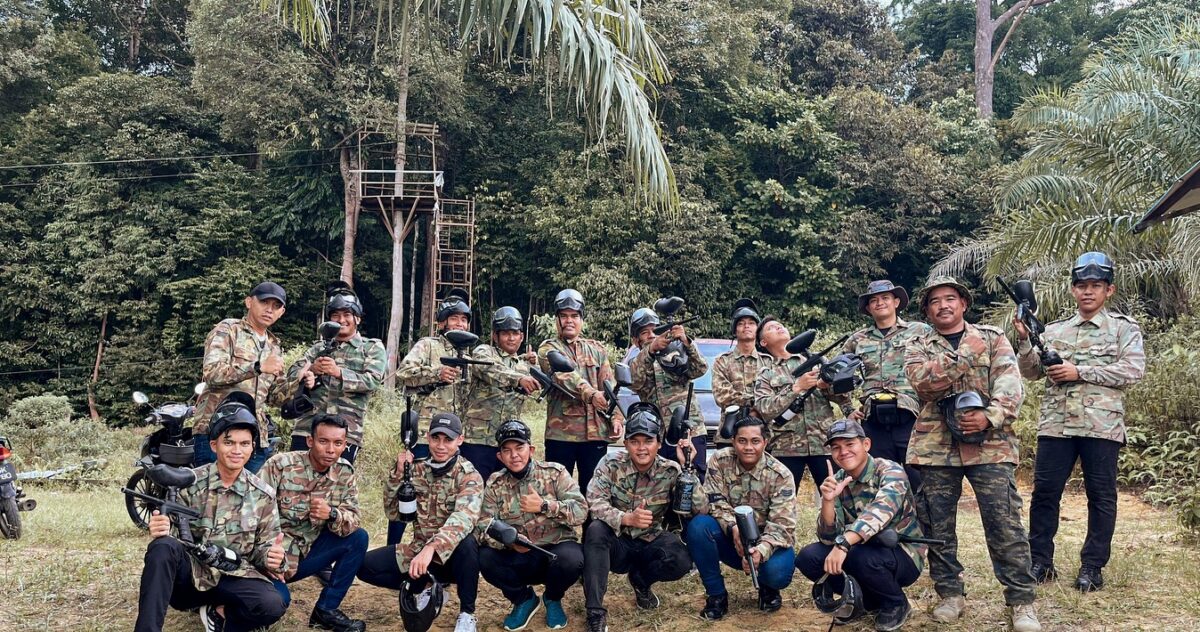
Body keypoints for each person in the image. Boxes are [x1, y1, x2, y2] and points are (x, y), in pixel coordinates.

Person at [905, 276, 1041, 632]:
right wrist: (966, 354)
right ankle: (950, 594)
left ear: (963, 303)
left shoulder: (992, 337)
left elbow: (1010, 383)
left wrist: (990, 415)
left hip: (991, 446)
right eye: (935, 301)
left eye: (950, 298)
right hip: (936, 448)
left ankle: (1021, 601)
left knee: (1004, 523)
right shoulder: (917, 344)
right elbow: (924, 384)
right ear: (927, 311)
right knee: (937, 525)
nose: (943, 305)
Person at [1017, 252, 1145, 592]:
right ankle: (1040, 561)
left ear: (1109, 290)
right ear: (1073, 290)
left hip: (1101, 426)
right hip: (1056, 425)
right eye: (1082, 286)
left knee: (1101, 496)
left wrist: (1080, 371)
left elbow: (1133, 371)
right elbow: (1030, 372)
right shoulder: (1054, 330)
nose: (1088, 291)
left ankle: (1092, 566)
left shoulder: (1123, 329)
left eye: (1095, 286)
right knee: (1045, 494)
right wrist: (1025, 340)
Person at [134, 393, 288, 632]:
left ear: (252, 447)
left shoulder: (263, 494)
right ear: (214, 445)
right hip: (190, 580)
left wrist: (272, 557)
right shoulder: (188, 482)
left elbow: (264, 547)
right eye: (229, 442)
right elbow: (172, 541)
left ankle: (219, 614)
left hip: (233, 576)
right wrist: (161, 528)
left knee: (272, 604)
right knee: (162, 547)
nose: (237, 450)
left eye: (244, 444)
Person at [356, 413, 483, 632]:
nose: (441, 446)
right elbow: (393, 513)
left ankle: (467, 613)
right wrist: (398, 474)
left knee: (468, 544)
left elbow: (464, 519)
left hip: (453, 557)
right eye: (436, 438)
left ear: (460, 440)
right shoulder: (416, 469)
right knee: (364, 566)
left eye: (448, 440)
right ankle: (430, 587)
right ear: (427, 437)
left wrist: (431, 548)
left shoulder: (469, 476)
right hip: (419, 551)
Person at [795, 419, 925, 631]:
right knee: (808, 557)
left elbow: (879, 512)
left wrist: (843, 544)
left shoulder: (890, 471)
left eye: (849, 444)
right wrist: (828, 501)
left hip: (902, 554)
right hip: (857, 550)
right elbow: (827, 538)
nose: (843, 452)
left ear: (866, 444)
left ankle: (896, 603)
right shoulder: (838, 479)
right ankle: (865, 600)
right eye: (836, 447)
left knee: (861, 556)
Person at [582, 404, 695, 632]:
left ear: (659, 444)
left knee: (682, 560)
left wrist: (688, 468)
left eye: (648, 441)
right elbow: (594, 501)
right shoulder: (610, 464)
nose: (641, 448)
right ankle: (595, 611)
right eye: (634, 441)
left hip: (650, 541)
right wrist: (626, 518)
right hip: (617, 542)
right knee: (595, 530)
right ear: (625, 444)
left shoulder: (671, 470)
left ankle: (641, 580)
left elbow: (699, 508)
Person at [260, 414, 369, 632]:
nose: (331, 450)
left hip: (308, 552)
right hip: (272, 556)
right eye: (323, 441)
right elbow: (254, 515)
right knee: (275, 602)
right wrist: (266, 557)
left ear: (345, 445)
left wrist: (333, 514)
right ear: (310, 441)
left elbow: (354, 518)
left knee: (358, 538)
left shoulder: (344, 472)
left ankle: (326, 610)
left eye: (338, 443)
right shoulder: (280, 466)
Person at [477, 420, 587, 631]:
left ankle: (553, 598)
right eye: (507, 450)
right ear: (499, 456)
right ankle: (524, 599)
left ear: (531, 449)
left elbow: (581, 511)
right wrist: (509, 542)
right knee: (484, 557)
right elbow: (483, 524)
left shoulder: (555, 473)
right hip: (517, 555)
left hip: (554, 552)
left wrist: (545, 506)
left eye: (520, 447)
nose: (514, 455)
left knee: (572, 559)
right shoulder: (495, 483)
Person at [688, 416, 796, 620]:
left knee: (777, 574)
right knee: (699, 526)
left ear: (765, 442)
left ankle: (768, 588)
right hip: (732, 539)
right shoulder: (720, 461)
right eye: (742, 441)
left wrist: (760, 551)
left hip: (767, 543)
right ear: (733, 441)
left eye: (755, 441)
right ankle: (716, 595)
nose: (748, 447)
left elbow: (783, 526)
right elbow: (713, 502)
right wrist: (733, 528)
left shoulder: (781, 475)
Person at [391, 289, 473, 544]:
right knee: (409, 486)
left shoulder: (467, 355)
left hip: (453, 438)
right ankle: (393, 547)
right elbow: (403, 373)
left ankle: (439, 545)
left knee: (446, 493)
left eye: (464, 319)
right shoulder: (428, 345)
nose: (460, 324)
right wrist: (437, 373)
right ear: (442, 322)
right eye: (454, 318)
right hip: (426, 432)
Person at [841, 280, 931, 492]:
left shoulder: (920, 331)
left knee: (921, 480)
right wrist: (847, 408)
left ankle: (924, 516)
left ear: (896, 302)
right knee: (877, 479)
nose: (880, 303)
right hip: (873, 419)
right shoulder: (857, 339)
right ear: (868, 308)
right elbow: (835, 376)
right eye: (874, 300)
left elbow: (939, 365)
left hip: (911, 416)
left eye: (885, 298)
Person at [193, 281, 291, 473]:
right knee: (213, 491)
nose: (269, 310)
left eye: (276, 306)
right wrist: (257, 367)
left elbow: (274, 398)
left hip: (254, 437)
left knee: (251, 492)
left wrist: (302, 382)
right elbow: (212, 373)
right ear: (249, 302)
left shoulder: (274, 346)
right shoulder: (229, 330)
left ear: (282, 312)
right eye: (264, 302)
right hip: (217, 431)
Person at [286, 285, 386, 464]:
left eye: (347, 314)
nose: (341, 320)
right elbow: (292, 373)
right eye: (336, 315)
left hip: (346, 431)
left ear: (357, 318)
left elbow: (372, 381)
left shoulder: (371, 347)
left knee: (338, 479)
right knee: (295, 476)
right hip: (308, 428)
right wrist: (311, 371)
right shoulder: (318, 348)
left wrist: (338, 372)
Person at [538, 289, 624, 493]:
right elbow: (565, 377)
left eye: (574, 316)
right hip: (562, 435)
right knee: (557, 491)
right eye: (564, 316)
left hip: (595, 435)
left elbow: (609, 386)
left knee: (594, 492)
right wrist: (591, 394)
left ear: (581, 320)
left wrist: (616, 418)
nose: (569, 320)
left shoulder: (597, 349)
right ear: (557, 319)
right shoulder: (548, 349)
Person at [754, 316, 837, 488]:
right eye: (771, 328)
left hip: (823, 441)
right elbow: (764, 409)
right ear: (763, 342)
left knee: (836, 495)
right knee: (783, 499)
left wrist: (826, 386)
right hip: (786, 446)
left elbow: (841, 395)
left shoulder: (814, 361)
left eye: (780, 325)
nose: (779, 327)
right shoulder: (766, 373)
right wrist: (796, 388)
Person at [461, 307, 541, 482]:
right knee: (474, 488)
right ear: (495, 336)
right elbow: (489, 369)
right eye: (505, 333)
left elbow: (541, 386)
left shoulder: (525, 366)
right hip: (477, 441)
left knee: (506, 491)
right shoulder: (484, 352)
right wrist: (518, 379)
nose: (511, 338)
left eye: (515, 333)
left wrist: (535, 365)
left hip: (508, 444)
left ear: (522, 336)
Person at [628, 307, 708, 474]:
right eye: (644, 333)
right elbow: (635, 382)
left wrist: (686, 342)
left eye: (654, 330)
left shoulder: (676, 352)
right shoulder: (636, 362)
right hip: (657, 435)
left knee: (694, 478)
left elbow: (700, 369)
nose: (651, 335)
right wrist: (651, 350)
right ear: (636, 340)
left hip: (689, 431)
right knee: (660, 482)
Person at [711, 298, 771, 419]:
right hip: (731, 425)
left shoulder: (768, 361)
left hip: (762, 426)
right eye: (741, 323)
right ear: (735, 330)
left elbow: (776, 395)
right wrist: (758, 401)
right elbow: (723, 396)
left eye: (751, 323)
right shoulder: (722, 361)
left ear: (758, 330)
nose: (746, 326)